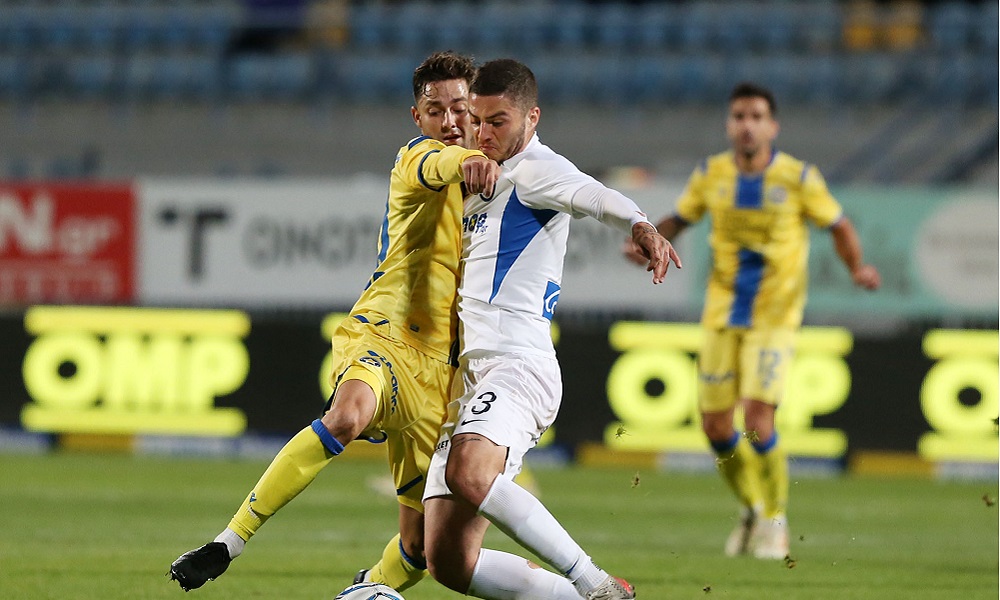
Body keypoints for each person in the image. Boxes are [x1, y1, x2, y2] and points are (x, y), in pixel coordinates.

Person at [168, 51, 501, 592]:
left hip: (442, 375)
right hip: (386, 334)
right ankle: (229, 541)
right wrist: (465, 160)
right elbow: (439, 164)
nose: (449, 121)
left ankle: (365, 587)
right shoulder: (418, 159)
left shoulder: (497, 185)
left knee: (421, 548)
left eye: (460, 109)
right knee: (346, 416)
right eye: (435, 110)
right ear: (417, 117)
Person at [422, 58, 681, 600]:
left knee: (470, 472)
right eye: (477, 120)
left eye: (498, 122)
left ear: (532, 118)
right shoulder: (473, 171)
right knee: (447, 559)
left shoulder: (537, 169)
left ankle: (595, 583)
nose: (483, 133)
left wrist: (641, 225)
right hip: (470, 376)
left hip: (516, 365)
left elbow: (595, 195)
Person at [624, 81, 881, 560]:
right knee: (715, 427)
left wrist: (857, 269)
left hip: (774, 317)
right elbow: (682, 217)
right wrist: (648, 238)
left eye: (757, 117)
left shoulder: (798, 177)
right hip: (721, 314)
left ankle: (776, 520)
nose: (747, 125)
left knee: (758, 420)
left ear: (772, 126)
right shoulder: (711, 174)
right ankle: (751, 508)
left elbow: (839, 225)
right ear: (729, 124)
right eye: (739, 116)